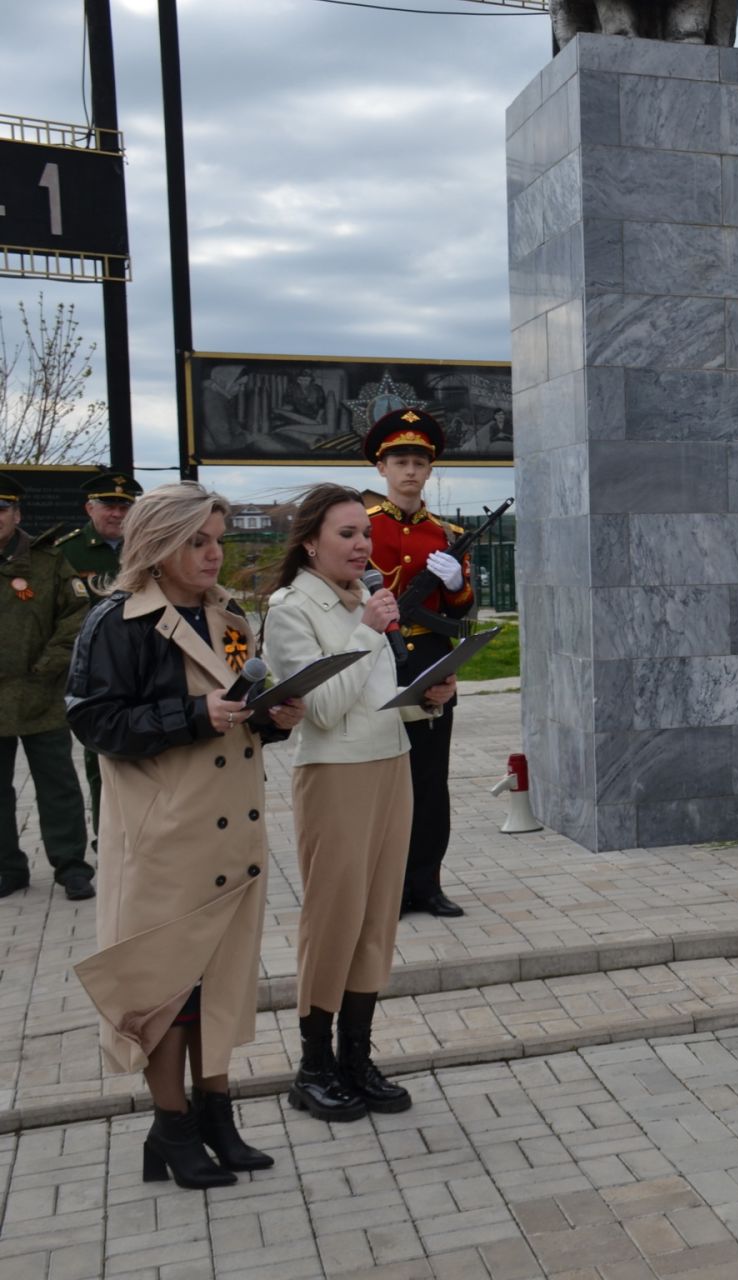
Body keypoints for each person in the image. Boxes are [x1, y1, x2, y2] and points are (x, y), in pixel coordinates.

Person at [66, 482, 306, 1189]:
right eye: (197, 541)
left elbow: (236, 703)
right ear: (158, 542)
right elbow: (97, 723)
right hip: (165, 835)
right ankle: (172, 1130)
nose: (212, 554)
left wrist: (271, 718)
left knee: (219, 982)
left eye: (219, 540)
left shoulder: (227, 615)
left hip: (230, 832)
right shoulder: (119, 621)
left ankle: (216, 1116)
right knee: (165, 989)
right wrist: (196, 714)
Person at [265, 483, 455, 1122]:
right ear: (311, 541)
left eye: (363, 535)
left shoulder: (362, 603)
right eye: (346, 534)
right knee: (334, 916)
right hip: (336, 774)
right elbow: (320, 706)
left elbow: (375, 693)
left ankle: (356, 1058)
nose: (360, 545)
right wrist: (368, 631)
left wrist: (425, 696)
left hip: (390, 761)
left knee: (376, 915)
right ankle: (313, 1065)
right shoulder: (292, 608)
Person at [364, 409, 475, 918]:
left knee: (430, 777)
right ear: (381, 469)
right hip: (374, 658)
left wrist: (456, 584)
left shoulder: (447, 534)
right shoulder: (360, 529)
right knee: (378, 774)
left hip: (428, 656)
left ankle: (426, 882)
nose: (410, 471)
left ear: (430, 471)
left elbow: (463, 609)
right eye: (400, 461)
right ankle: (383, 885)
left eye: (419, 462)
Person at [0, 473, 93, 901]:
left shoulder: (49, 560)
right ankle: (8, 868)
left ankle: (71, 866)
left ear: (17, 514)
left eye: (2, 510)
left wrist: (49, 664)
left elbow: (77, 615)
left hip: (42, 692)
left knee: (57, 785)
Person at [58, 470, 144, 856]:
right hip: (92, 670)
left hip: (143, 664)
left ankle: (139, 830)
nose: (117, 514)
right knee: (100, 759)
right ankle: (105, 835)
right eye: (109, 506)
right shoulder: (68, 552)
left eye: (124, 506)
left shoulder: (145, 547)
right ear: (89, 508)